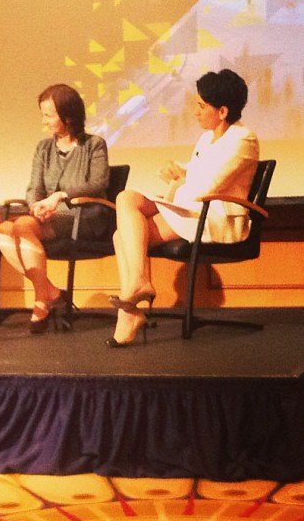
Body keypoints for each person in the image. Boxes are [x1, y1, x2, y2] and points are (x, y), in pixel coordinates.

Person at [108, 69, 260, 347]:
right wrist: (178, 172)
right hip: (193, 211)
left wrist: (181, 180)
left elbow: (208, 186)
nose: (195, 111)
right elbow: (194, 175)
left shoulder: (243, 139)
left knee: (123, 234)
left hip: (215, 217)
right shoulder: (206, 139)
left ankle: (130, 310)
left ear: (223, 111)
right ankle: (136, 292)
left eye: (201, 106)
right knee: (126, 200)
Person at [0, 83, 110, 334]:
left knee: (22, 225)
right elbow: (34, 187)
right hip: (48, 217)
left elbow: (98, 183)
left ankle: (41, 303)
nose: (44, 122)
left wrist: (59, 196)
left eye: (48, 115)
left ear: (67, 117)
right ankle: (51, 292)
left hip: (85, 216)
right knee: (2, 230)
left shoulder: (95, 145)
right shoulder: (43, 148)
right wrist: (36, 206)